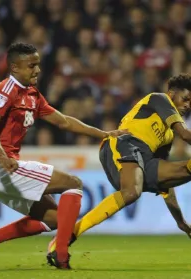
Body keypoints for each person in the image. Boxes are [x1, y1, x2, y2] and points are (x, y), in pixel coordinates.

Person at [0, 42, 126, 270]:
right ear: (15, 67)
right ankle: (61, 254)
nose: (37, 70)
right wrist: (3, 158)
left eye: (38, 65)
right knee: (73, 184)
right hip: (2, 168)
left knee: (55, 220)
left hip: (6, 169)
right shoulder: (6, 90)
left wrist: (103, 133)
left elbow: (63, 121)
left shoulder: (33, 95)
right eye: (31, 65)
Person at [47, 74, 191, 266]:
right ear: (172, 94)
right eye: (186, 98)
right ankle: (68, 235)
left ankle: (66, 236)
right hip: (123, 142)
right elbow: (186, 134)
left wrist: (181, 222)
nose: (188, 105)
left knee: (179, 171)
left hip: (143, 157)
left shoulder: (168, 135)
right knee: (132, 191)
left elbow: (165, 182)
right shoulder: (160, 99)